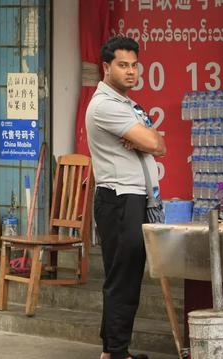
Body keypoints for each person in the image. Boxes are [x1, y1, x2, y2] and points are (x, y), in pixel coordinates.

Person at [85, 36, 166, 359]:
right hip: (120, 199)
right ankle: (116, 353)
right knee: (123, 280)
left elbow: (158, 143)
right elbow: (156, 144)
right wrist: (148, 140)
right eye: (123, 65)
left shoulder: (127, 104)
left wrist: (148, 140)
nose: (131, 72)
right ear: (106, 68)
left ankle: (113, 352)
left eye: (134, 65)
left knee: (126, 277)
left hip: (130, 200)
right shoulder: (105, 105)